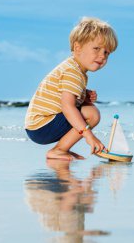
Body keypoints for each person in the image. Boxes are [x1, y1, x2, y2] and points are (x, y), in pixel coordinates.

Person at [25, 17, 117, 160]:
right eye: (97, 48)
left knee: (88, 107)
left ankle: (61, 149)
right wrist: (89, 136)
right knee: (93, 113)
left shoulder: (73, 68)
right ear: (77, 48)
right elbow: (67, 107)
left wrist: (83, 97)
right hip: (42, 126)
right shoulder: (72, 72)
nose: (102, 56)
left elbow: (59, 97)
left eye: (106, 52)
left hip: (37, 126)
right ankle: (59, 150)